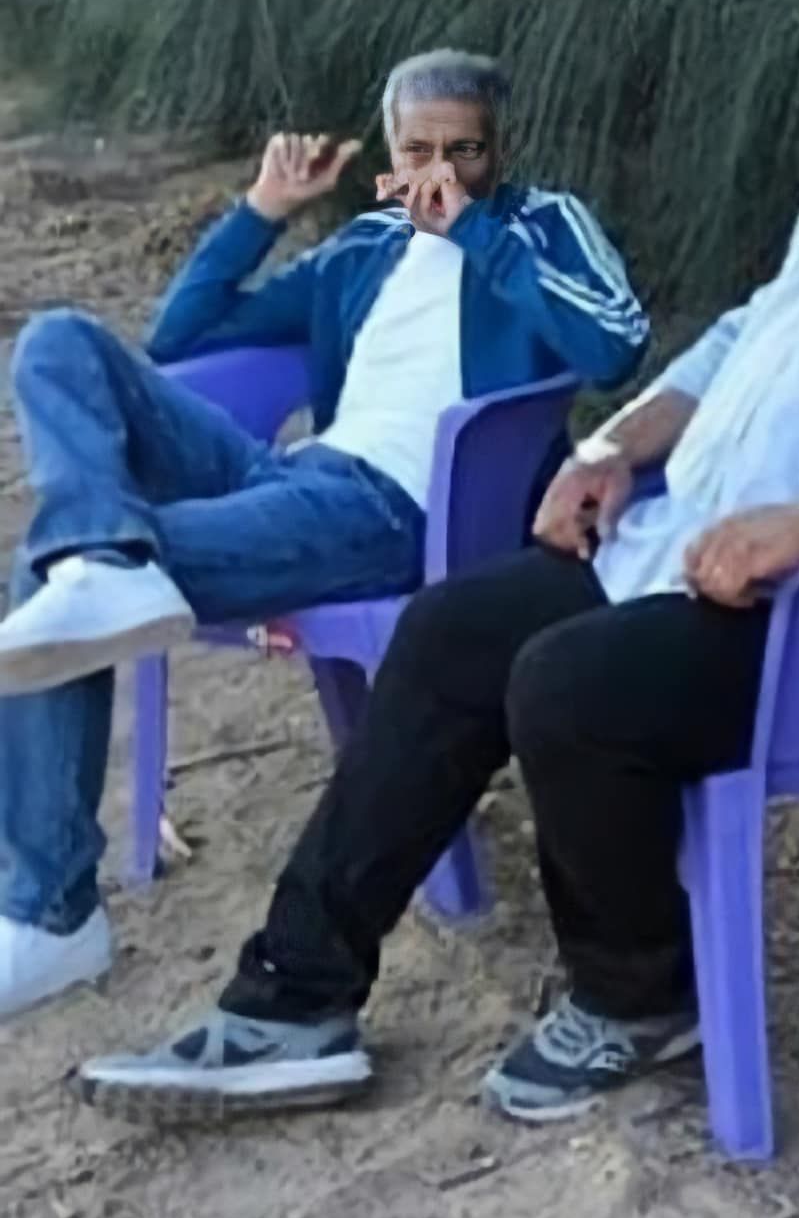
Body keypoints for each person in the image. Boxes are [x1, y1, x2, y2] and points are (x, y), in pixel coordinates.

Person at [76, 0, 799, 1126]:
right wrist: (611, 449)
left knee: (569, 684)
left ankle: (639, 993)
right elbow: (741, 338)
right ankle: (292, 998)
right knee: (451, 630)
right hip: (706, 554)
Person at [0, 50, 649, 1021]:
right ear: (390, 151)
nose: (440, 173)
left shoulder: (542, 224)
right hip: (296, 474)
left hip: (392, 509)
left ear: (498, 150)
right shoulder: (365, 245)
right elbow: (182, 333)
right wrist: (263, 209)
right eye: (419, 151)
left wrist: (479, 233)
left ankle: (52, 912)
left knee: (46, 570)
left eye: (464, 151)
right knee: (58, 340)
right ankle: (104, 555)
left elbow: (615, 344)